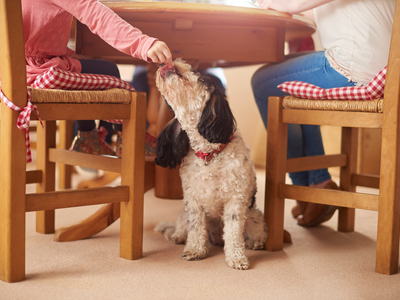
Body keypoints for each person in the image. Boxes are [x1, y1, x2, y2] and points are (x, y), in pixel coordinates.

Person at [252, 0, 395, 227]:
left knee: (261, 82)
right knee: (289, 81)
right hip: (387, 70)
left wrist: (280, 4)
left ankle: (302, 189)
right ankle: (318, 182)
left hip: (354, 66)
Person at [22, 0, 172, 158]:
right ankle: (128, 140)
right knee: (110, 71)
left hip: (16, 72)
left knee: (85, 67)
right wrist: (143, 44)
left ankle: (88, 135)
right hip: (40, 71)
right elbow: (95, 14)